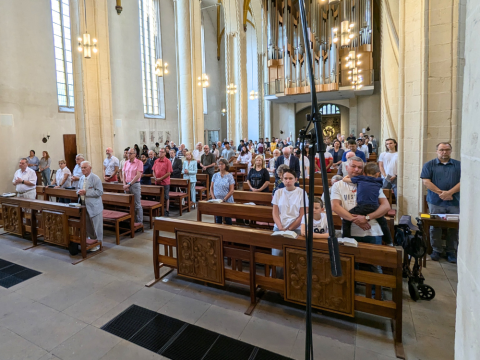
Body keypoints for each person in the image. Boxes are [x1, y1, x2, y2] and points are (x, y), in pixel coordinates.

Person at [331, 156, 390, 246]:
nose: (356, 169)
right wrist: (357, 220)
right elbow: (335, 206)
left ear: (364, 170)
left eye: (360, 167)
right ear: (346, 167)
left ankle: (390, 242)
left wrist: (367, 218)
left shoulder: (371, 183)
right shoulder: (338, 185)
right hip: (350, 232)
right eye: (353, 166)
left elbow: (386, 206)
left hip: (373, 231)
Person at [420, 142, 461, 263]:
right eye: (442, 150)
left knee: (454, 227)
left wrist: (450, 193)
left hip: (454, 201)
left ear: (451, 151)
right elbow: (426, 181)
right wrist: (441, 193)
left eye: (447, 150)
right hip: (435, 201)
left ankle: (451, 251)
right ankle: (436, 250)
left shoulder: (458, 165)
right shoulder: (429, 164)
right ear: (437, 151)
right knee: (435, 226)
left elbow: (464, 180)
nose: (444, 152)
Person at [272, 169, 308, 278]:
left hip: (295, 229)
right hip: (279, 228)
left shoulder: (301, 192)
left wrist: (290, 228)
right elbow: (275, 212)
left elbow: (302, 215)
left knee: (294, 258)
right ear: (282, 180)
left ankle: (294, 283)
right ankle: (277, 283)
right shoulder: (278, 192)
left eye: (290, 178)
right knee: (277, 257)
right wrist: (280, 227)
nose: (288, 181)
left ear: (296, 179)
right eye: (285, 178)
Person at [77, 161, 103, 246]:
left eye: (85, 167)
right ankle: (92, 242)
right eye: (82, 168)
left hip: (94, 206)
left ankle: (98, 243)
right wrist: (78, 192)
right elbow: (77, 188)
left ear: (90, 168)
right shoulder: (81, 178)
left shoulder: (95, 178)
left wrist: (86, 192)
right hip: (84, 205)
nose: (83, 169)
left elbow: (99, 192)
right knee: (88, 226)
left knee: (96, 227)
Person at [210, 159, 235, 225]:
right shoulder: (215, 175)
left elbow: (231, 190)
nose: (220, 165)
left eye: (222, 164)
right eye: (219, 164)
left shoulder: (229, 176)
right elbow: (211, 188)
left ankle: (228, 233)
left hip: (227, 200)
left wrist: (224, 199)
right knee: (218, 219)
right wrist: (213, 198)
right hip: (217, 201)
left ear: (226, 165)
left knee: (227, 219)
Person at [123, 148, 143, 224]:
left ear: (135, 154)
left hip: (135, 185)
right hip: (127, 185)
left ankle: (139, 222)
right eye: (128, 153)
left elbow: (138, 175)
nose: (128, 155)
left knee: (137, 204)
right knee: (129, 204)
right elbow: (123, 174)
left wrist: (129, 184)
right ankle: (132, 220)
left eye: (130, 153)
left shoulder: (139, 162)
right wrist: (124, 184)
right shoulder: (126, 163)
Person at [152, 148, 173, 216]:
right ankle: (159, 210)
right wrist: (155, 177)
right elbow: (153, 171)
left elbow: (169, 173)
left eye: (162, 152)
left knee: (166, 196)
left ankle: (167, 210)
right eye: (159, 152)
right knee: (158, 197)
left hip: (165, 182)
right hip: (157, 181)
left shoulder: (167, 161)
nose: (160, 153)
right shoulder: (156, 161)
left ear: (165, 153)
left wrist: (161, 178)